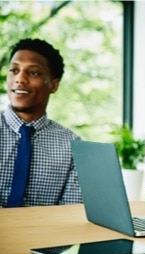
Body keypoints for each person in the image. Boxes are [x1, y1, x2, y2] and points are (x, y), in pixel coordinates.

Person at [0, 38, 83, 207]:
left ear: (54, 85)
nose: (20, 79)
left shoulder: (72, 146)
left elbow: (70, 214)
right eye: (14, 70)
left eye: (33, 73)